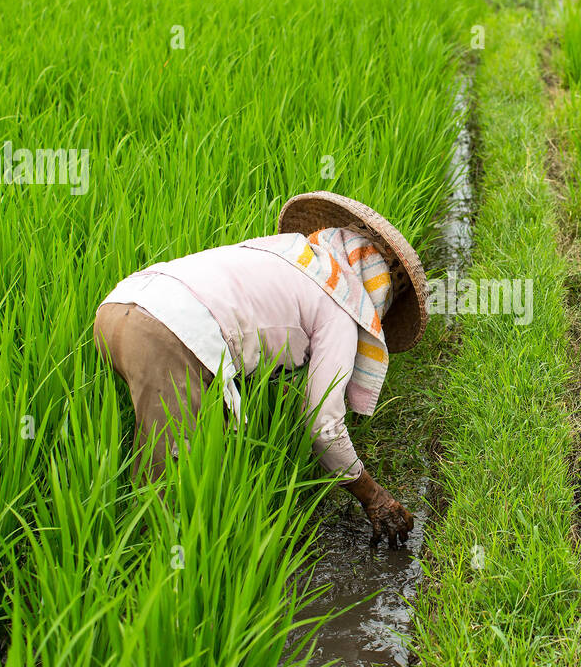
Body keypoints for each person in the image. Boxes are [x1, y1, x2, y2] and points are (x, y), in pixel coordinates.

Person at [92, 191, 424, 549]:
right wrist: (373, 496)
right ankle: (162, 581)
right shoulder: (340, 304)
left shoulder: (283, 253)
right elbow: (323, 426)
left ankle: (134, 553)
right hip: (168, 335)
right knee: (177, 489)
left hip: (118, 308)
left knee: (170, 453)